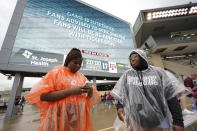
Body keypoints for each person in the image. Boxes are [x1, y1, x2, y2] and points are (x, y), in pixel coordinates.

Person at [27, 48, 101, 131]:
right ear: (68, 61)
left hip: (76, 121)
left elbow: (91, 97)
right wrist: (71, 91)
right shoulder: (56, 73)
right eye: (75, 63)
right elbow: (43, 96)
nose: (78, 66)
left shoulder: (82, 77)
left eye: (80, 64)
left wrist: (89, 90)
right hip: (57, 119)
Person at [111, 49, 184, 131]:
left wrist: (178, 121)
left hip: (159, 120)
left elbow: (171, 97)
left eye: (135, 56)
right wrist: (119, 106)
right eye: (131, 58)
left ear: (143, 57)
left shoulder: (159, 72)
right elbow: (121, 93)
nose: (133, 59)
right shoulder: (127, 75)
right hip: (136, 120)